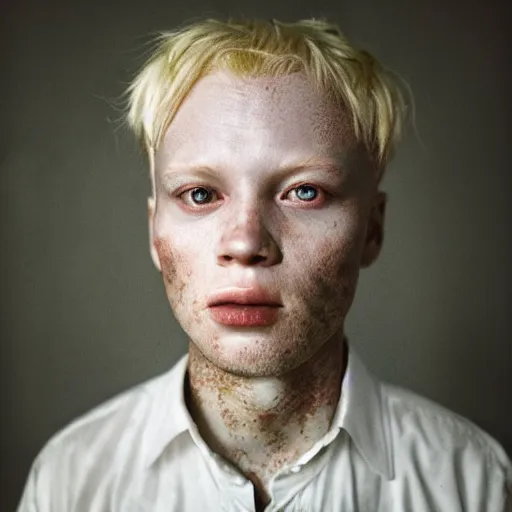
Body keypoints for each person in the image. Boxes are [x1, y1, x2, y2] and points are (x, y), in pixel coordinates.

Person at [18, 17, 511, 512]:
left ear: (372, 229)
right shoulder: (70, 481)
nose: (246, 242)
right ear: (154, 230)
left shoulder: (474, 482)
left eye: (305, 191)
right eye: (200, 194)